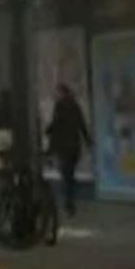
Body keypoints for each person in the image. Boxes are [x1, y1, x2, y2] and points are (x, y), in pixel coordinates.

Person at [46, 83, 91, 217]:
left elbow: (56, 126)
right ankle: (69, 203)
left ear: (62, 93)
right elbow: (81, 124)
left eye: (57, 93)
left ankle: (69, 204)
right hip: (74, 147)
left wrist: (49, 147)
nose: (55, 95)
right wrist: (87, 140)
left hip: (63, 148)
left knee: (66, 176)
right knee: (69, 176)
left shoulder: (59, 106)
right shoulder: (75, 106)